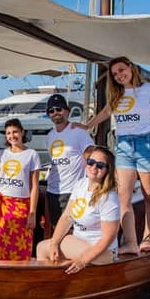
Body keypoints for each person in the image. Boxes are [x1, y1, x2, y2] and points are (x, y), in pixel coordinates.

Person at [79, 56, 150, 254]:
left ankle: (149, 238)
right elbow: (105, 113)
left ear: (130, 67)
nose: (119, 75)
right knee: (123, 197)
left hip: (147, 143)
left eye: (121, 70)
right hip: (124, 146)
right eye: (115, 74)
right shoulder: (116, 93)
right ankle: (130, 241)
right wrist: (87, 126)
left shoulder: (149, 90)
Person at [36, 145, 120, 273]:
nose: (94, 167)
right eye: (91, 162)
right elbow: (66, 217)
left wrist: (83, 260)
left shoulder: (109, 198)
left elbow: (108, 238)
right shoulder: (81, 184)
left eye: (100, 165)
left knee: (42, 248)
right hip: (79, 242)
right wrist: (54, 242)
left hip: (103, 252)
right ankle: (49, 282)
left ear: (108, 170)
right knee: (45, 247)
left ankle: (48, 284)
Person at [0, 119, 41, 260]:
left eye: (15, 132)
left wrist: (32, 212)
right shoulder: (3, 154)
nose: (12, 136)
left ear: (22, 132)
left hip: (20, 204)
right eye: (8, 133)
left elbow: (34, 186)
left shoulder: (32, 154)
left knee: (21, 243)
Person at [44, 93, 94, 231]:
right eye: (51, 111)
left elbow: (91, 156)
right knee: (57, 228)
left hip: (73, 190)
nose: (55, 113)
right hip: (53, 190)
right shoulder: (50, 136)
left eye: (59, 109)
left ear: (67, 111)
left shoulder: (78, 132)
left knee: (73, 230)